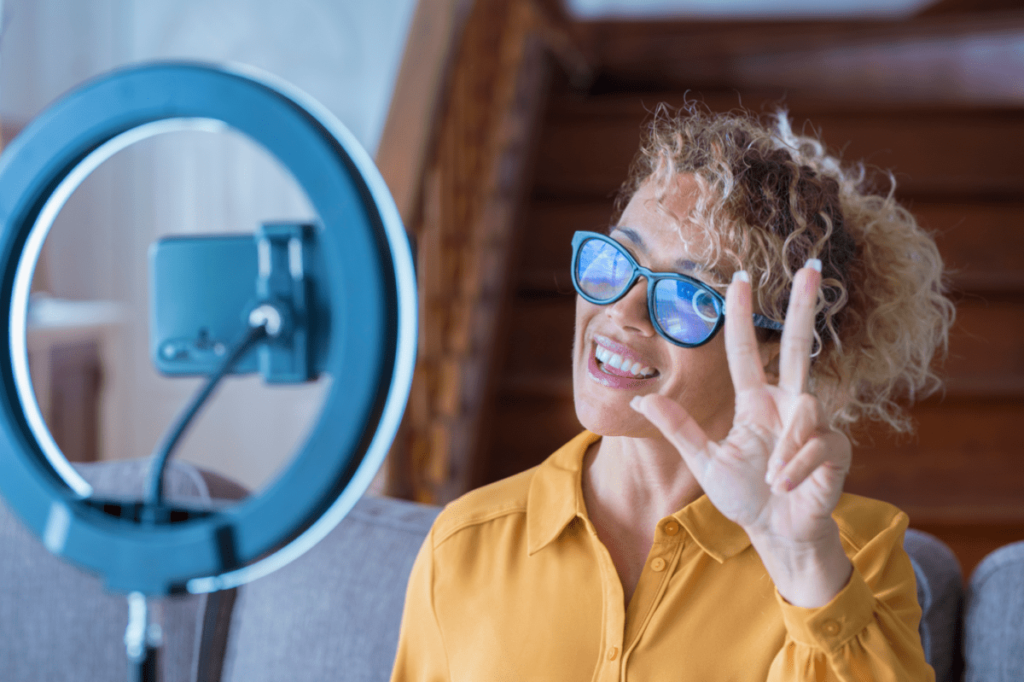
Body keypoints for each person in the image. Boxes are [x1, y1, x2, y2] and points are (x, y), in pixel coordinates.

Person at [390, 104, 954, 681]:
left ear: (768, 346)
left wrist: (801, 560)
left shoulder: (852, 557)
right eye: (618, 260)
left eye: (689, 294)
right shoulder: (463, 544)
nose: (622, 311)